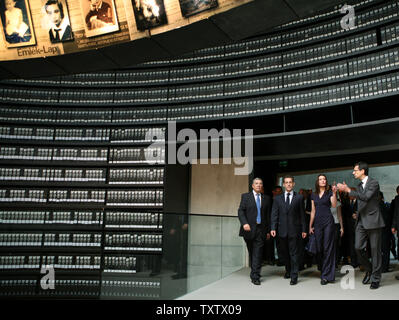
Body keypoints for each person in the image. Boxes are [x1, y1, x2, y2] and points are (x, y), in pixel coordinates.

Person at [338, 162, 385, 289]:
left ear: (362, 171)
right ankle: (370, 269)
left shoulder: (373, 183)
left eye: (355, 170)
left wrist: (348, 190)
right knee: (358, 247)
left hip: (374, 221)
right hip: (361, 221)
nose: (353, 172)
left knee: (375, 252)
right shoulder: (359, 185)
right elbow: (360, 202)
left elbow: (366, 197)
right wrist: (356, 213)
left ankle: (376, 278)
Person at [271, 176, 307, 285]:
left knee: (294, 253)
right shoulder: (277, 198)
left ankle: (294, 276)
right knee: (284, 253)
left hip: (295, 230)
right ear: (284, 185)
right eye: (286, 182)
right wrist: (273, 227)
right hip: (281, 230)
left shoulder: (299, 198)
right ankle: (288, 270)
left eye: (290, 182)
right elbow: (274, 214)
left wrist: (304, 229)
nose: (288, 184)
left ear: (293, 184)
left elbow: (302, 215)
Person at [238, 178, 271, 285]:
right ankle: (255, 270)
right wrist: (244, 223)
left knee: (258, 253)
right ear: (252, 186)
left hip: (261, 229)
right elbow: (240, 211)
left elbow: (267, 216)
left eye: (260, 184)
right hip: (248, 229)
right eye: (256, 183)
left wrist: (268, 231)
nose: (258, 185)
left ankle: (255, 276)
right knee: (252, 252)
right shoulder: (246, 196)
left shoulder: (267, 198)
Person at [309, 174, 337, 285]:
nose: (323, 181)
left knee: (327, 248)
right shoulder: (313, 195)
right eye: (320, 179)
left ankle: (326, 276)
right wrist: (310, 226)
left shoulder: (329, 192)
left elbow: (334, 205)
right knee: (319, 248)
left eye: (324, 179)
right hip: (317, 223)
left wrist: (334, 193)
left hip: (328, 222)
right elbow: (313, 211)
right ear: (317, 182)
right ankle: (324, 270)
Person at [379, 192, 393, 273]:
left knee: (380, 250)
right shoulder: (386, 205)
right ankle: (385, 267)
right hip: (386, 231)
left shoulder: (377, 206)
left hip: (379, 231)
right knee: (385, 250)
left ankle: (382, 267)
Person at [331, 191, 344, 267]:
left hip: (336, 224)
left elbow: (339, 216)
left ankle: (335, 262)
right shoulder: (325, 202)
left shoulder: (338, 203)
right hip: (327, 225)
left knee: (335, 244)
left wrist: (342, 227)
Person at [391, 185, 399, 280]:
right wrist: (394, 225)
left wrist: (393, 226)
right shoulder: (397, 199)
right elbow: (396, 213)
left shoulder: (397, 199)